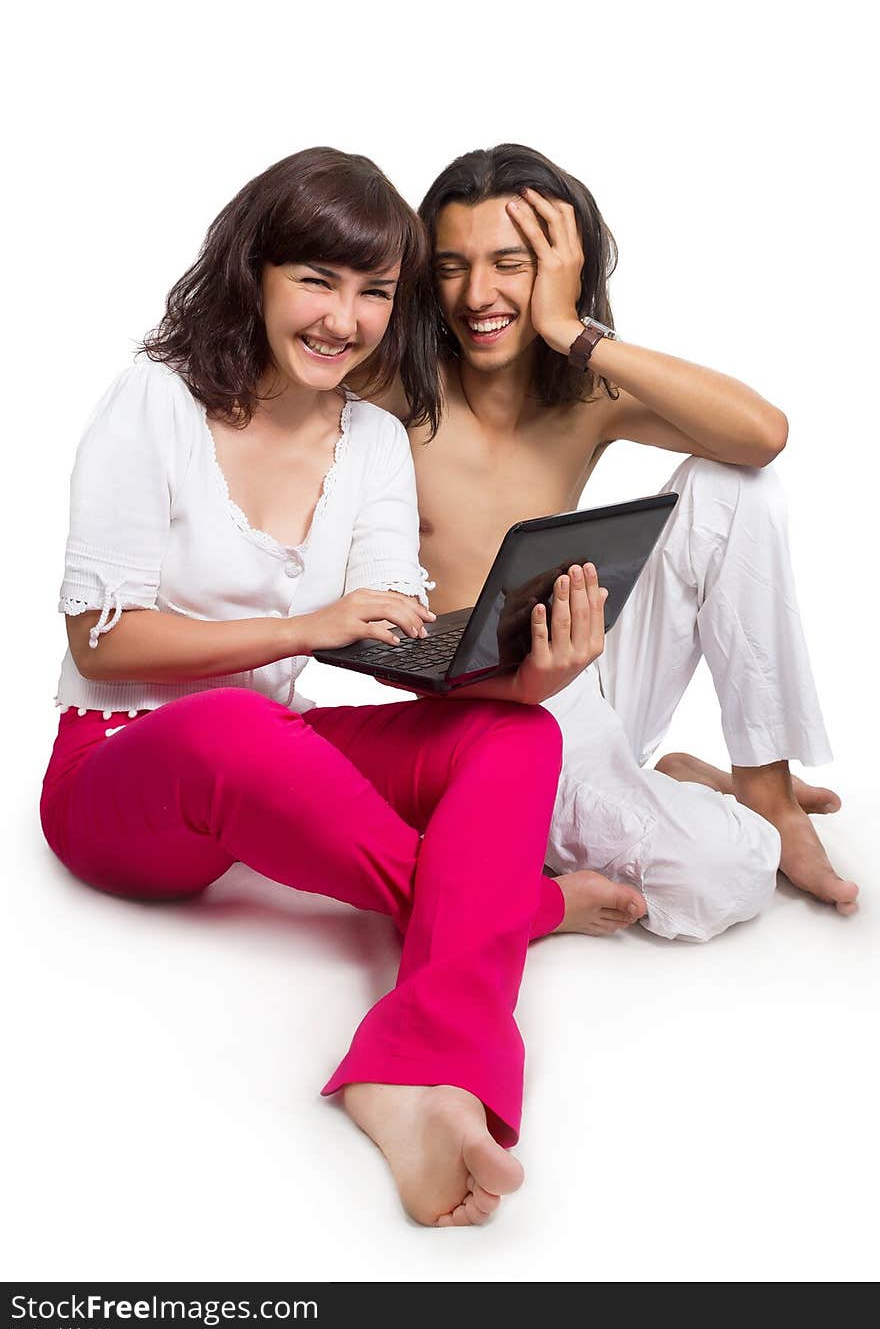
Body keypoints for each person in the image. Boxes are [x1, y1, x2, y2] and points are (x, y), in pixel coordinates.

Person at [39, 148, 609, 1227]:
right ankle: (515, 905)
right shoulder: (153, 400)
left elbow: (383, 626)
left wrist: (523, 678)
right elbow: (105, 642)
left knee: (520, 742)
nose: (343, 318)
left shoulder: (375, 441)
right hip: (117, 771)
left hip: (271, 747)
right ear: (253, 273)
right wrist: (303, 625)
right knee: (234, 730)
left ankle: (414, 1075)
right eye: (317, 280)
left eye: (374, 292)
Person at [362, 142, 858, 942]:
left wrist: (571, 330)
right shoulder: (390, 389)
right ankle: (677, 787)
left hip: (587, 670)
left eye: (510, 263)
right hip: (494, 722)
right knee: (720, 878)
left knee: (736, 487)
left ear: (560, 268)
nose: (478, 294)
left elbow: (762, 435)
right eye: (452, 265)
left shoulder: (581, 391)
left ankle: (762, 786)